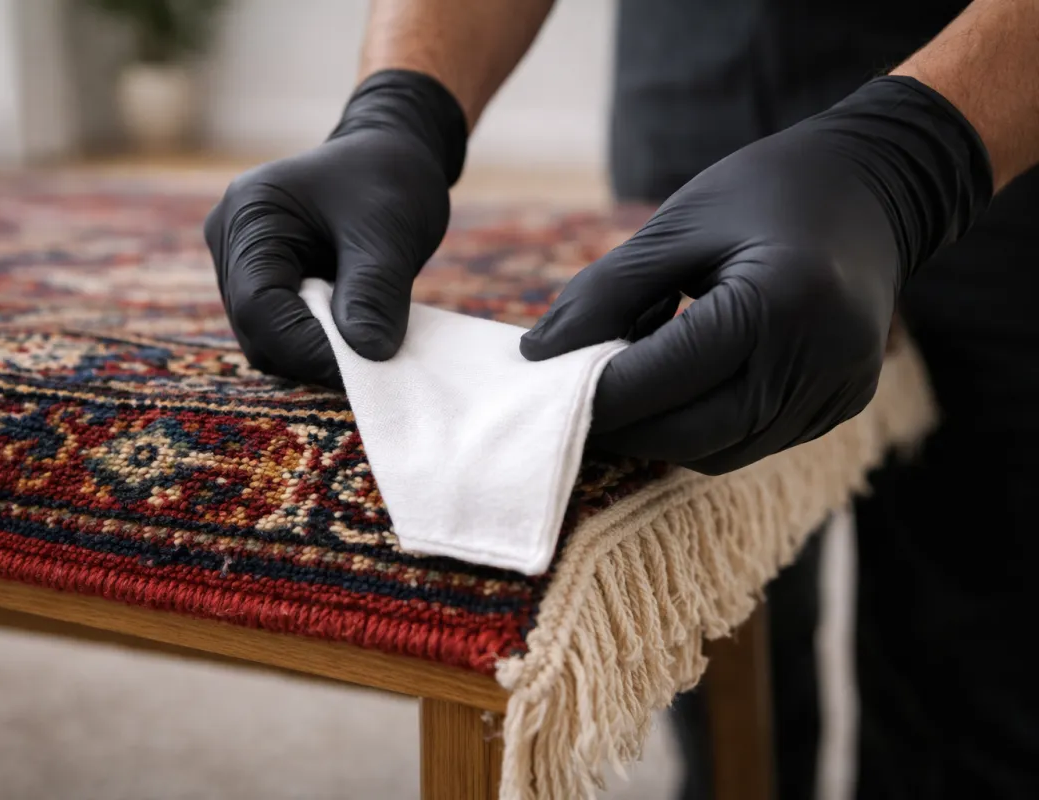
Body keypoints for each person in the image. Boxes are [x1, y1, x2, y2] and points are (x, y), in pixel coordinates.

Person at [203, 1, 1039, 796]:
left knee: (974, 644)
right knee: (711, 605)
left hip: (1006, 98)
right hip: (697, 69)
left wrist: (918, 152)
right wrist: (401, 104)